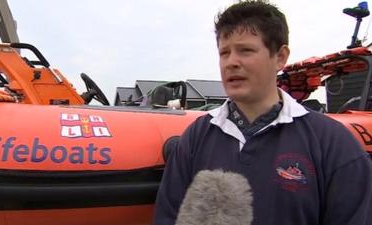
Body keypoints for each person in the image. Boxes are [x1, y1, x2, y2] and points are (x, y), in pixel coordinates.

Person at [153, 1, 372, 225]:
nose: (231, 63)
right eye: (224, 53)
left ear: (280, 57)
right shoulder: (195, 139)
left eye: (245, 50)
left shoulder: (334, 145)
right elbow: (168, 217)